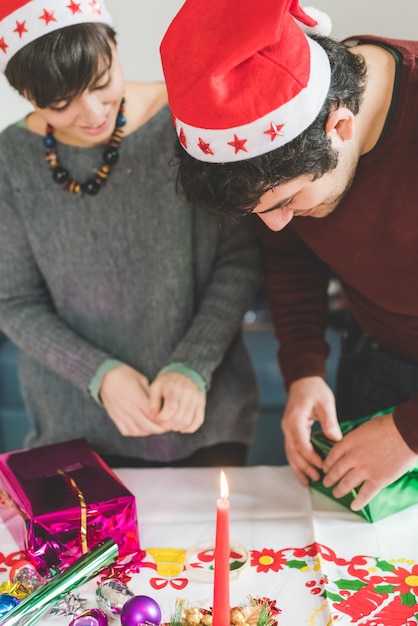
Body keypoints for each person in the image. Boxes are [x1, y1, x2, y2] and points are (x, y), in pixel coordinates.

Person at [160, 0, 418, 506]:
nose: (275, 226)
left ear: (340, 127)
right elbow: (290, 259)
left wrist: (408, 434)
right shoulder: (289, 139)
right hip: (373, 357)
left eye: (286, 203)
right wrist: (304, 371)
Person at [0, 0, 261, 468]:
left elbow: (240, 260)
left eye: (102, 83)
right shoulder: (10, 162)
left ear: (115, 49)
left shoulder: (187, 124)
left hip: (204, 422)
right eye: (59, 105)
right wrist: (100, 375)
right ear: (26, 95)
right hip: (74, 431)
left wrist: (192, 364)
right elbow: (13, 302)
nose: (93, 112)